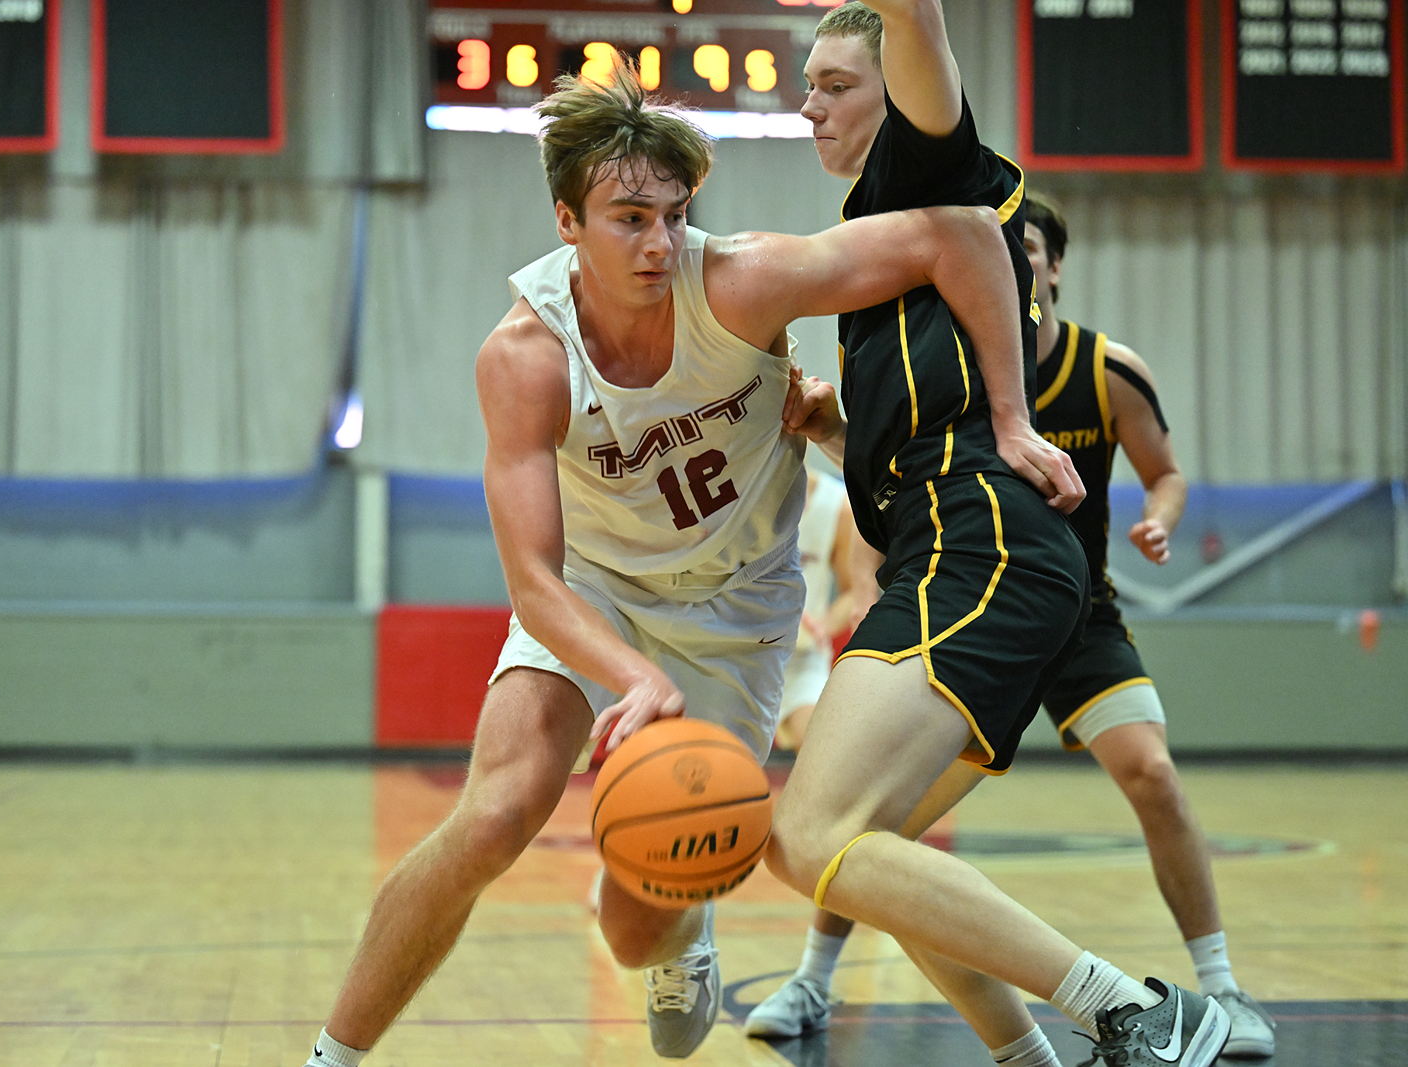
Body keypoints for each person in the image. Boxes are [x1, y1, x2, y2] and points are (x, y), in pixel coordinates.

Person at [300, 56, 1070, 1066]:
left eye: (672, 214)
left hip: (734, 608)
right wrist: (632, 673)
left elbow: (959, 233)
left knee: (631, 929)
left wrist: (1011, 419)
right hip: (597, 596)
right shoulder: (526, 355)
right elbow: (534, 580)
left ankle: (684, 931)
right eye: (629, 219)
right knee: (492, 815)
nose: (660, 242)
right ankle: (331, 1055)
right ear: (567, 222)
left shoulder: (739, 281)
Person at [759, 5, 1233, 1067]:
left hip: (979, 543)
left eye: (837, 83)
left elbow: (916, 19)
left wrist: (1014, 420)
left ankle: (1140, 1010)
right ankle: (1031, 1056)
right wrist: (834, 427)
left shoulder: (928, 166)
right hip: (958, 543)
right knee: (859, 850)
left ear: (900, 95)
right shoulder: (880, 236)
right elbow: (929, 431)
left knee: (811, 833)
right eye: (809, 84)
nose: (811, 104)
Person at [773, 468, 881, 751]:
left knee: (824, 748)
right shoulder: (737, 496)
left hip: (801, 656)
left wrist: (822, 625)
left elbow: (853, 592)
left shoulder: (837, 504)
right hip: (738, 647)